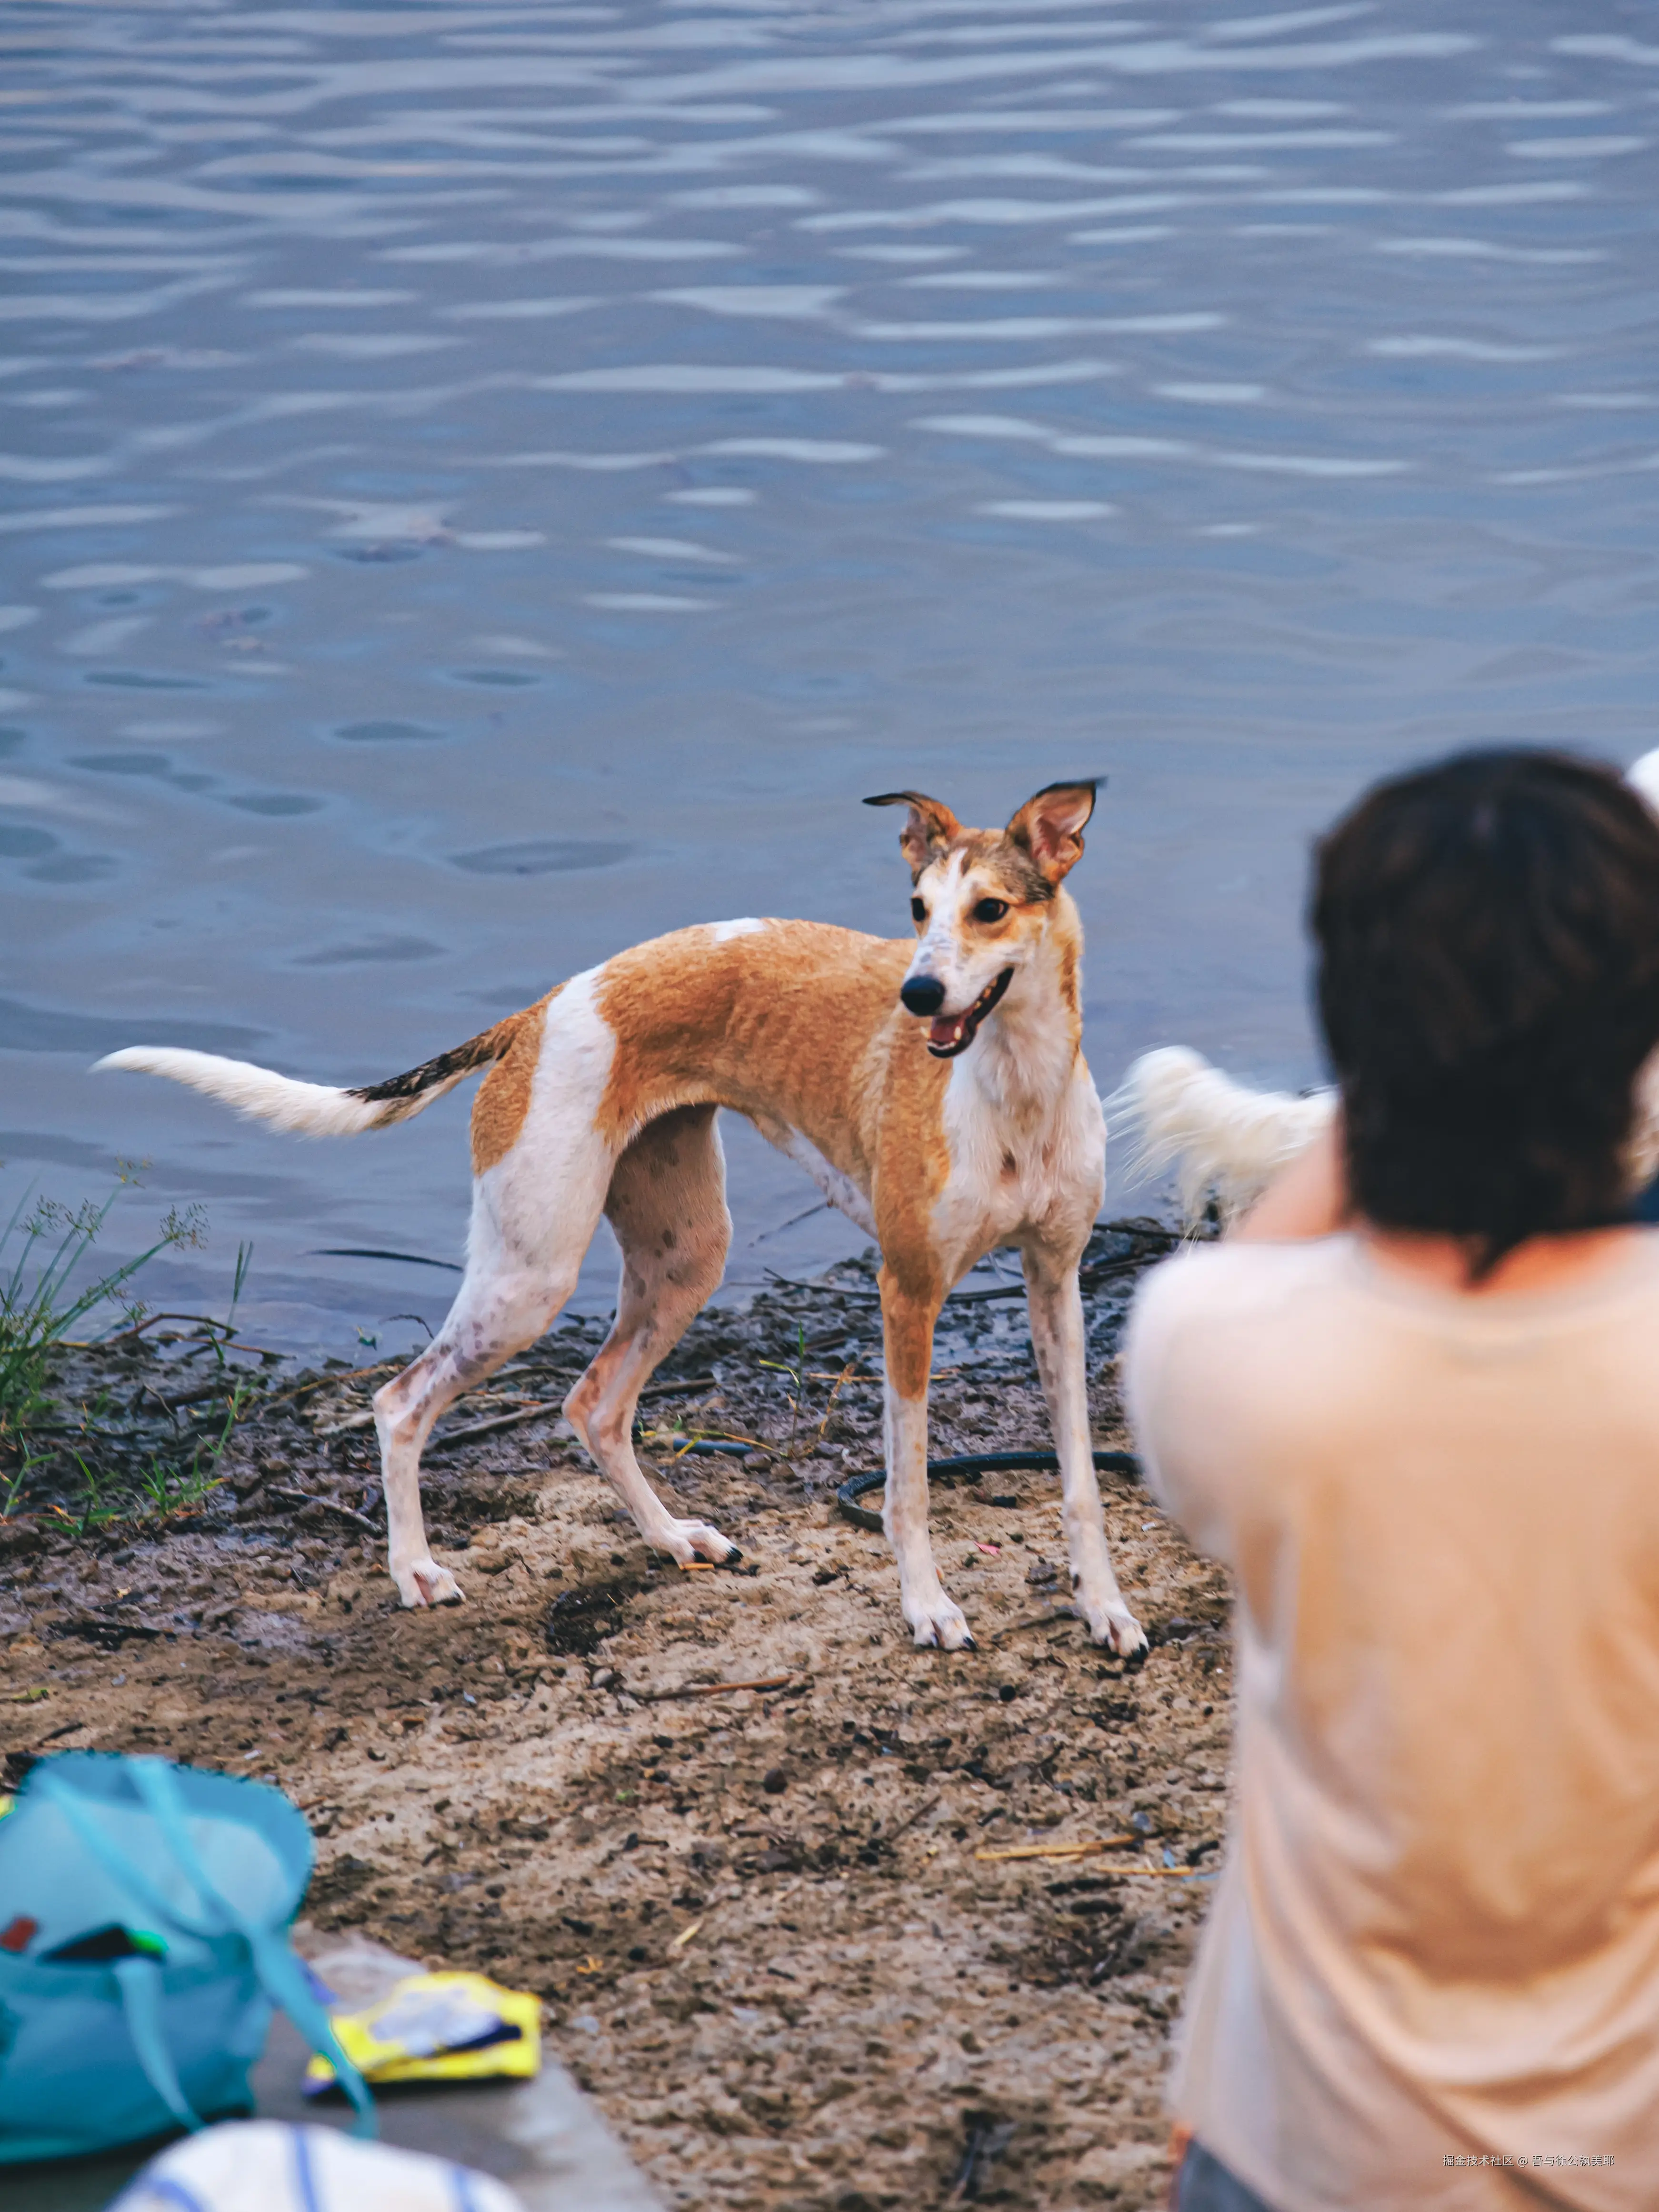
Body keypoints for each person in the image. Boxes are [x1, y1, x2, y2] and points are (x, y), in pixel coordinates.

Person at [1123, 749, 1659, 2212]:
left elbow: (1280, 1254)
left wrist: (1412, 1060)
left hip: (1310, 2144)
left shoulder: (1208, 1350)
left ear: (1355, 1029)